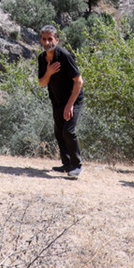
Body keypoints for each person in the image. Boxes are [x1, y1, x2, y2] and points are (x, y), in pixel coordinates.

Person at [38, 25, 85, 178]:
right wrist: (49, 72)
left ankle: (77, 166)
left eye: (50, 39)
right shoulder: (42, 58)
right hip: (57, 100)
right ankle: (67, 164)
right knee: (59, 133)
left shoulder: (64, 56)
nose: (47, 42)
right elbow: (42, 83)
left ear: (56, 40)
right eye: (44, 39)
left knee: (68, 131)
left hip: (73, 99)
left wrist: (70, 104)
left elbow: (79, 81)